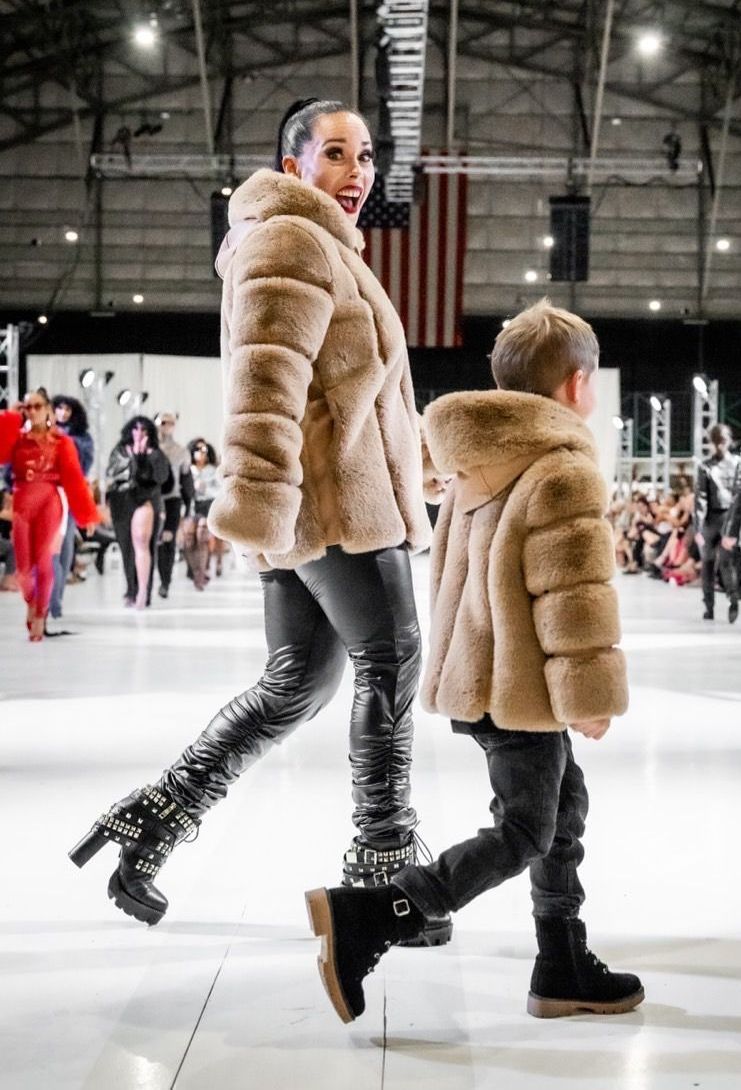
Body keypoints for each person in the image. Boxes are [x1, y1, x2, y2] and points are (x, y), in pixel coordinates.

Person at [69, 98, 446, 945]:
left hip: (309, 508)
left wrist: (421, 465)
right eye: (337, 155)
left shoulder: (319, 248)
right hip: (330, 508)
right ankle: (383, 872)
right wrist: (264, 498)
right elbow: (264, 385)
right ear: (292, 168)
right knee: (390, 659)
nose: (358, 173)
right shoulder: (290, 240)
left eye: (367, 157)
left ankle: (152, 820)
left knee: (295, 688)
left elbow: (355, 394)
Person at [305, 299, 644, 1024]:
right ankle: (378, 912)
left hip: (478, 678)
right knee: (526, 829)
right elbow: (569, 595)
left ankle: (561, 963)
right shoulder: (559, 468)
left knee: (562, 810)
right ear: (579, 386)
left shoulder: (474, 461)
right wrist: (589, 694)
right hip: (522, 685)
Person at [0, 394, 98, 640]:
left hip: (50, 502)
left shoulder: (62, 442)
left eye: (37, 406)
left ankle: (41, 614)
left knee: (44, 561)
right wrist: (11, 417)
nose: (32, 411)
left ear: (48, 410)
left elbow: (74, 479)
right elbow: (1, 455)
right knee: (23, 570)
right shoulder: (18, 440)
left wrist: (87, 516)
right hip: (22, 501)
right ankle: (33, 602)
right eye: (28, 406)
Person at [105, 415, 171, 609]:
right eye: (136, 429)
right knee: (126, 548)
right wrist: (134, 458)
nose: (139, 433)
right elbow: (112, 473)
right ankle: (131, 589)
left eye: (144, 430)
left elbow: (161, 478)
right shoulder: (119, 451)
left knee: (144, 544)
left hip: (147, 500)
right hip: (121, 502)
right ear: (129, 431)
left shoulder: (157, 454)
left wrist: (143, 460)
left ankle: (144, 591)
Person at [49, 395, 95, 626]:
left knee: (64, 547)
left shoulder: (82, 439)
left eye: (68, 409)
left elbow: (84, 468)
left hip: (69, 495)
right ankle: (47, 599)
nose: (63, 413)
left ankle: (56, 600)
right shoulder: (43, 432)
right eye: (59, 408)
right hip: (44, 493)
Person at [694, 423, 740, 623]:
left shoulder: (707, 465)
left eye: (722, 441)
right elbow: (701, 498)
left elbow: (701, 499)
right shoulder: (735, 463)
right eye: (717, 442)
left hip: (719, 519)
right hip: (723, 519)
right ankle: (723, 601)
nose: (720, 445)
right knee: (718, 563)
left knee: (715, 563)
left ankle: (722, 603)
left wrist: (698, 526)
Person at [156, 412, 194, 598]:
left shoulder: (181, 452)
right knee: (152, 542)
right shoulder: (148, 449)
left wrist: (188, 506)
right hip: (152, 500)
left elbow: (186, 480)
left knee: (168, 541)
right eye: (163, 422)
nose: (166, 426)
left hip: (172, 500)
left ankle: (165, 582)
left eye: (170, 423)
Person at [182, 437, 220, 590]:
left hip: (207, 506)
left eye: (203, 449)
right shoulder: (186, 469)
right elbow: (181, 490)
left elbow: (220, 491)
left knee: (202, 537)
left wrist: (205, 488)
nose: (200, 452)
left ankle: (201, 573)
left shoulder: (213, 470)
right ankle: (195, 570)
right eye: (197, 449)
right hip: (190, 507)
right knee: (189, 541)